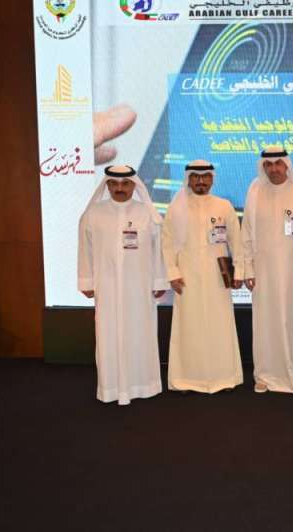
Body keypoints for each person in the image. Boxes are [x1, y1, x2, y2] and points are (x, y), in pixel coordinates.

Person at [77, 165, 167, 405]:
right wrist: (86, 280)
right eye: (114, 184)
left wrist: (159, 280)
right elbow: (85, 250)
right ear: (106, 185)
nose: (119, 188)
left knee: (140, 334)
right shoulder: (94, 214)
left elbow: (159, 251)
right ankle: (111, 389)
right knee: (108, 335)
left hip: (140, 288)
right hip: (106, 287)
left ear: (134, 185)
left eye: (125, 183)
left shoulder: (147, 213)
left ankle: (143, 386)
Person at [162, 160, 244, 393]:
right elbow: (167, 244)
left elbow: (236, 241)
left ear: (212, 179)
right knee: (189, 327)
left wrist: (239, 271)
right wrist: (172, 273)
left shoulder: (223, 206)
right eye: (196, 177)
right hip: (187, 277)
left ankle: (224, 377)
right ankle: (186, 379)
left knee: (220, 325)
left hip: (218, 277)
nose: (201, 181)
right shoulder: (176, 208)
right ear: (188, 179)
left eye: (205, 176)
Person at [242, 147, 293, 394]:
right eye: (268, 164)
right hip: (264, 274)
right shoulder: (254, 196)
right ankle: (266, 374)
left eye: (278, 163)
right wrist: (247, 270)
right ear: (263, 167)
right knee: (266, 323)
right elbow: (246, 235)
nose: (273, 169)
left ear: (287, 165)